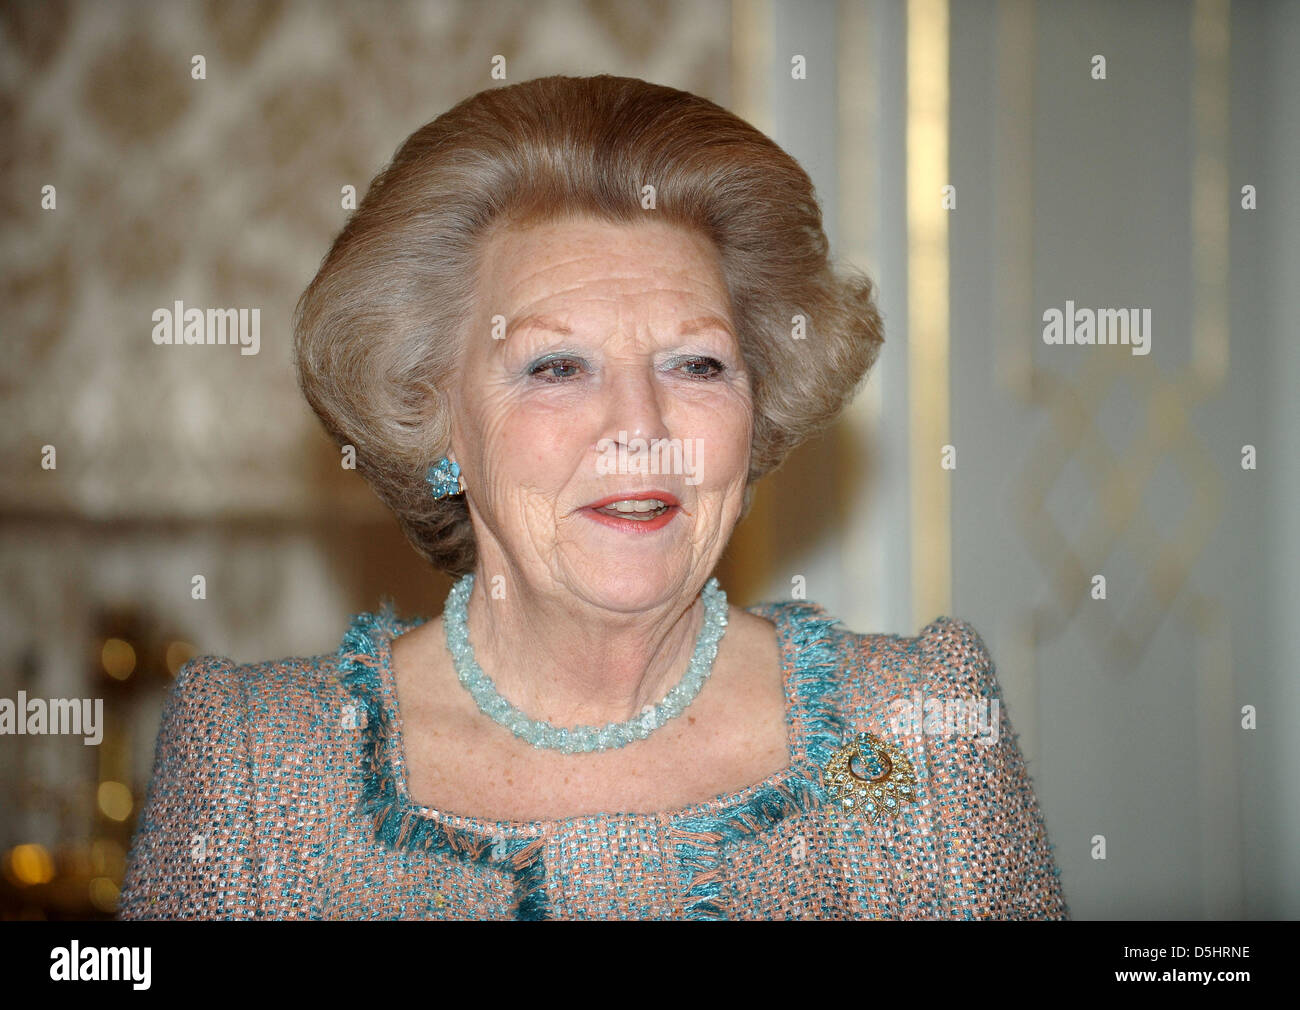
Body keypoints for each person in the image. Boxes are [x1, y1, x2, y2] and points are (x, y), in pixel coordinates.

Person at [118, 74, 1068, 920]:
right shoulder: (255, 771)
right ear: (433, 415)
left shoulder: (917, 735)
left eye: (697, 363)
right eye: (557, 366)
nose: (641, 427)